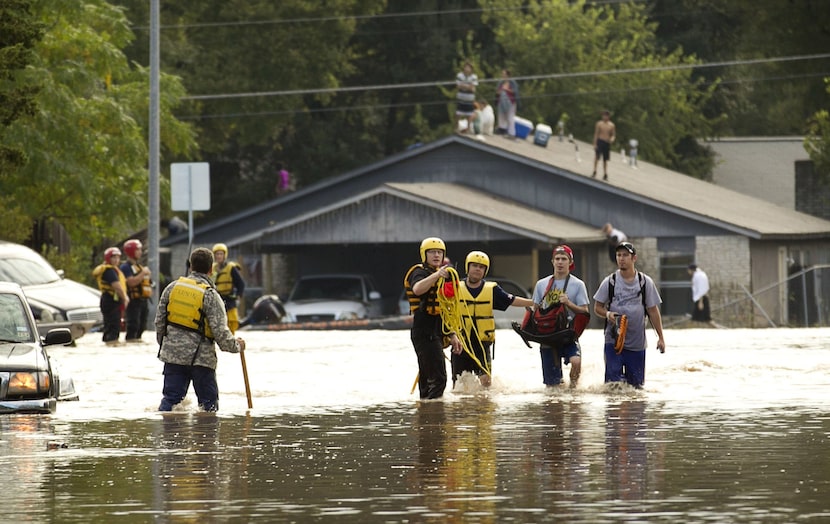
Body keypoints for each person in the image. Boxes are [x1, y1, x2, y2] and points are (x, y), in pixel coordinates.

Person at [155, 247, 246, 412]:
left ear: (190, 267)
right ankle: (206, 437)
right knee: (208, 407)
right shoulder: (211, 296)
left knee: (170, 402)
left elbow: (159, 323)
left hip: (173, 356)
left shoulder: (171, 288)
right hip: (201, 360)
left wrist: (167, 346)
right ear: (211, 269)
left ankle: (167, 437)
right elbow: (221, 335)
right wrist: (238, 346)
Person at [454, 250, 535, 387]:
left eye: (481, 267)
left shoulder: (492, 289)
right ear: (468, 267)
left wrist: (532, 303)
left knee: (486, 382)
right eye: (474, 266)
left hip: (482, 344)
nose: (477, 269)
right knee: (460, 384)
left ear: (485, 271)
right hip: (461, 345)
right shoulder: (455, 287)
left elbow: (511, 300)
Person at [593, 242, 666, 388]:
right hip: (613, 341)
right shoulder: (610, 282)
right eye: (619, 255)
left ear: (634, 258)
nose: (621, 258)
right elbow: (597, 308)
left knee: (636, 388)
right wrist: (608, 314)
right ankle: (614, 411)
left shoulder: (645, 282)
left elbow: (653, 311)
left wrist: (661, 338)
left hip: (637, 343)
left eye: (625, 255)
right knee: (613, 387)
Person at [403, 237, 461, 399]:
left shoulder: (442, 275)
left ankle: (426, 415)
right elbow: (417, 289)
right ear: (424, 254)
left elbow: (445, 309)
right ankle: (435, 416)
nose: (436, 255)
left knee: (428, 378)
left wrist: (452, 334)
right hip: (423, 330)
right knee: (438, 379)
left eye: (439, 252)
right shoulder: (419, 272)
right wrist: (436, 276)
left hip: (437, 329)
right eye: (432, 252)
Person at [531, 245, 591, 388]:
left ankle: (572, 389)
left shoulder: (578, 285)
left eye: (564, 259)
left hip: (568, 333)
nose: (560, 262)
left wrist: (569, 303)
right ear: (552, 262)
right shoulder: (541, 284)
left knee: (576, 362)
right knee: (552, 387)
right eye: (557, 259)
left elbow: (585, 312)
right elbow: (535, 310)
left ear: (570, 262)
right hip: (548, 335)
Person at [92, 247, 129, 346]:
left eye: (118, 257)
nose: (116, 260)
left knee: (110, 325)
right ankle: (111, 343)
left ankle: (109, 342)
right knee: (113, 326)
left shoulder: (113, 270)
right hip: (110, 301)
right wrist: (125, 298)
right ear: (108, 258)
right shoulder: (109, 271)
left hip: (111, 300)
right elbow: (117, 286)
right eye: (114, 257)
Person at [120, 239, 153, 343]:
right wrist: (143, 273)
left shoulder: (139, 267)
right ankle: (130, 342)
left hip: (143, 301)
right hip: (133, 301)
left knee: (142, 325)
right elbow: (131, 282)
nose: (140, 252)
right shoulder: (125, 267)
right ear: (131, 251)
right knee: (133, 325)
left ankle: (137, 341)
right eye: (137, 250)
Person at [210, 243, 246, 334]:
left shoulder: (231, 268)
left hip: (229, 299)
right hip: (217, 300)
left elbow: (241, 284)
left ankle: (231, 341)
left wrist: (238, 296)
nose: (219, 256)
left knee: (231, 322)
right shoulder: (212, 268)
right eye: (217, 254)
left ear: (224, 255)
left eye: (221, 254)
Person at [592, 110, 616, 180]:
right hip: (600, 141)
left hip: (606, 142)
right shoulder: (599, 124)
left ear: (608, 117)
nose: (604, 117)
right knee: (597, 156)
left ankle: (605, 174)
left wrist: (612, 139)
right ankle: (594, 171)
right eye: (603, 115)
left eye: (606, 116)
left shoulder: (611, 125)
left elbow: (613, 135)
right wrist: (595, 143)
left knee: (605, 159)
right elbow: (596, 134)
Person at [455, 61, 478, 133]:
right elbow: (458, 86)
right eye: (466, 67)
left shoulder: (474, 76)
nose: (467, 69)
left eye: (469, 67)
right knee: (458, 113)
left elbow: (473, 88)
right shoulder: (459, 75)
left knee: (469, 114)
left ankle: (468, 128)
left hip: (469, 98)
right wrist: (468, 86)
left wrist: (464, 86)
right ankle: (456, 128)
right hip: (461, 97)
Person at [495, 69, 519, 138]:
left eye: (504, 74)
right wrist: (499, 91)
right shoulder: (501, 83)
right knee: (501, 116)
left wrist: (506, 89)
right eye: (502, 74)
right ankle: (502, 129)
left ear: (508, 75)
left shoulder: (512, 82)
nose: (503, 75)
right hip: (501, 101)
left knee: (510, 117)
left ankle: (512, 133)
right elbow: (497, 91)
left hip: (510, 102)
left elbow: (515, 91)